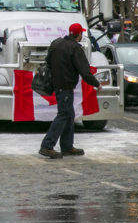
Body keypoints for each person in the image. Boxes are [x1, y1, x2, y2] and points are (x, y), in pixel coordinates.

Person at [39, 23, 102, 159]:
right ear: (79, 34)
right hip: (66, 86)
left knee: (69, 115)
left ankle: (67, 146)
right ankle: (47, 145)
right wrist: (96, 84)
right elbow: (85, 71)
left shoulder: (57, 44)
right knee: (64, 115)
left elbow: (47, 62)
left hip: (57, 84)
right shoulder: (75, 48)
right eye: (81, 33)